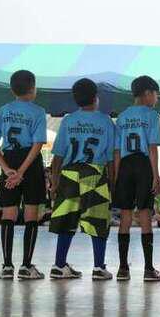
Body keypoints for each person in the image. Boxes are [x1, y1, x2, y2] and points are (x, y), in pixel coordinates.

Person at [48, 78, 116, 280]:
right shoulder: (106, 121)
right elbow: (111, 158)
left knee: (66, 220)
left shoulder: (68, 120)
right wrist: (112, 183)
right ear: (96, 98)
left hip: (69, 173)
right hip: (94, 173)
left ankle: (59, 265)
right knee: (97, 220)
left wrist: (54, 181)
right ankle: (98, 267)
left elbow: (58, 155)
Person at [0, 70, 48, 280]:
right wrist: (22, 171)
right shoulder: (38, 111)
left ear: (12, 89)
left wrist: (7, 170)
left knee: (8, 214)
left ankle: (6, 266)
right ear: (33, 88)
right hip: (30, 162)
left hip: (9, 160)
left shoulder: (4, 110)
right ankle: (26, 266)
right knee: (31, 214)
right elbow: (38, 144)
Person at [112, 76, 160, 282]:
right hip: (143, 165)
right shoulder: (152, 116)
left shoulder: (122, 117)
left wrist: (117, 176)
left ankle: (123, 269)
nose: (157, 99)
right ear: (148, 93)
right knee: (145, 214)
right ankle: (148, 269)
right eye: (156, 95)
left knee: (125, 216)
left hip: (125, 165)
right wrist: (155, 175)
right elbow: (152, 148)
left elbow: (117, 151)